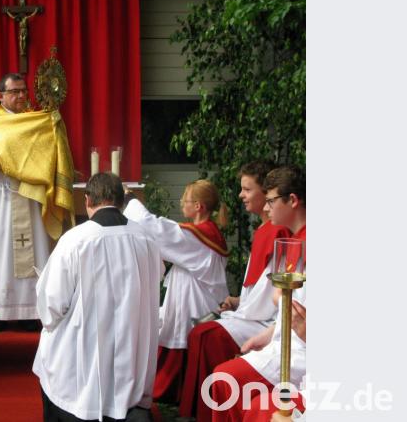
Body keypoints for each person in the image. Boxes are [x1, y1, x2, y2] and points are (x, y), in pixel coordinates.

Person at [33, 172, 161, 422]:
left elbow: (51, 306)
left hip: (81, 362)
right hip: (131, 349)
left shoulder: (75, 239)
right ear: (122, 201)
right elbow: (152, 282)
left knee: (50, 353)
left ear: (87, 200)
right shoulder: (146, 238)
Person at [178, 163, 290, 421]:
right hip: (254, 313)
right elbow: (261, 287)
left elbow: (272, 293)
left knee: (207, 336)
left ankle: (207, 412)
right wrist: (239, 301)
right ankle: (199, 411)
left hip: (265, 321)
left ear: (266, 193)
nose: (241, 195)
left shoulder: (278, 232)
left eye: (247, 189)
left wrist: (244, 308)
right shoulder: (264, 229)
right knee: (199, 333)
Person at [0, 72, 75, 332]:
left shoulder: (35, 120)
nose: (20, 96)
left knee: (34, 248)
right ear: (0, 95)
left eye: (24, 91)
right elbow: (1, 154)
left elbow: (45, 153)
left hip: (29, 194)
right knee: (0, 250)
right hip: (3, 196)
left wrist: (53, 124)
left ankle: (29, 310)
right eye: (14, 91)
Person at [210, 165, 307, 422]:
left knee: (225, 381)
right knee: (223, 379)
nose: (266, 207)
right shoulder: (296, 241)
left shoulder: (306, 243)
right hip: (283, 336)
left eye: (272, 201)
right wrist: (268, 335)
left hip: (301, 351)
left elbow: (296, 310)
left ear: (293, 201)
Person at [123, 179, 229, 404]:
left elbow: (157, 229)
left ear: (199, 206)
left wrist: (131, 201)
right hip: (197, 296)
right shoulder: (206, 234)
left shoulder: (199, 236)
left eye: (185, 200)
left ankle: (181, 394)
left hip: (196, 301)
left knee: (184, 338)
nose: (181, 204)